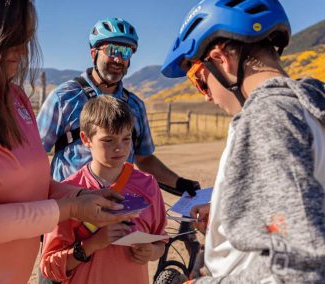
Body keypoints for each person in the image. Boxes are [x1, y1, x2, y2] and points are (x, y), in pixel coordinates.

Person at [0, 1, 138, 283]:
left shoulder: (12, 96)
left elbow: (32, 183)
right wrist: (71, 210)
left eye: (25, 39)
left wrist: (79, 196)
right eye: (12, 39)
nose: (23, 51)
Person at [161, 0, 325, 282]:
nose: (206, 95)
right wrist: (231, 214)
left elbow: (299, 267)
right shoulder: (310, 108)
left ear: (221, 59)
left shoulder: (268, 117)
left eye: (199, 79)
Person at [37, 17, 200, 196]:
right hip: (71, 203)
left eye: (126, 52)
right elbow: (35, 154)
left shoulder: (135, 106)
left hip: (119, 204)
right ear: (94, 53)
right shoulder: (65, 98)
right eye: (112, 50)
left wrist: (179, 183)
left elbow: (144, 158)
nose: (118, 58)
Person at [40, 95, 167, 284]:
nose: (120, 148)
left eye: (126, 138)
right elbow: (50, 267)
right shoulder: (70, 191)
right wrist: (92, 244)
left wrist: (151, 251)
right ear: (86, 139)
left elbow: (161, 242)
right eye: (108, 140)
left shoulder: (148, 185)